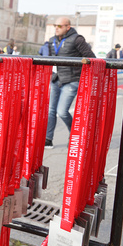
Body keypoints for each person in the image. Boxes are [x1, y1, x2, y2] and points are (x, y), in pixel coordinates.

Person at [44, 17, 95, 149]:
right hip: (56, 78)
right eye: (55, 25)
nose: (56, 28)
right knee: (50, 110)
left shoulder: (77, 39)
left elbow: (91, 58)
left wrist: (81, 73)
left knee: (62, 111)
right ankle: (48, 139)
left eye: (59, 26)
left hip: (72, 79)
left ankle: (74, 135)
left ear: (68, 27)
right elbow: (50, 60)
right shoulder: (52, 41)